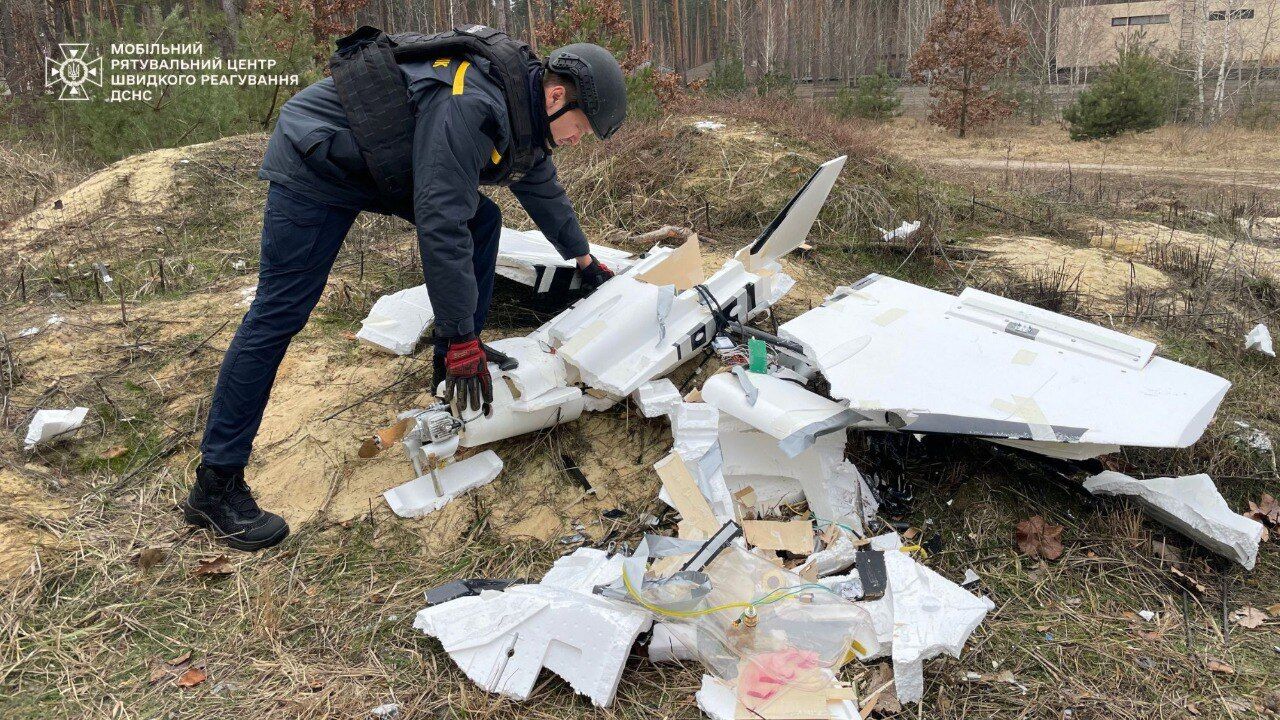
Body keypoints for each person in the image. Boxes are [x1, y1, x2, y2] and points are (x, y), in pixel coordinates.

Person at [180, 25, 626, 551]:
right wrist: (458, 330)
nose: (578, 139)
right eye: (581, 126)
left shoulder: (521, 103)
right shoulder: (472, 103)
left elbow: (535, 177)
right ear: (557, 96)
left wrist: (581, 255)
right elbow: (441, 222)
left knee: (483, 219)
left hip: (377, 161)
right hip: (317, 156)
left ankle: (456, 354)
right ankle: (216, 485)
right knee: (279, 314)